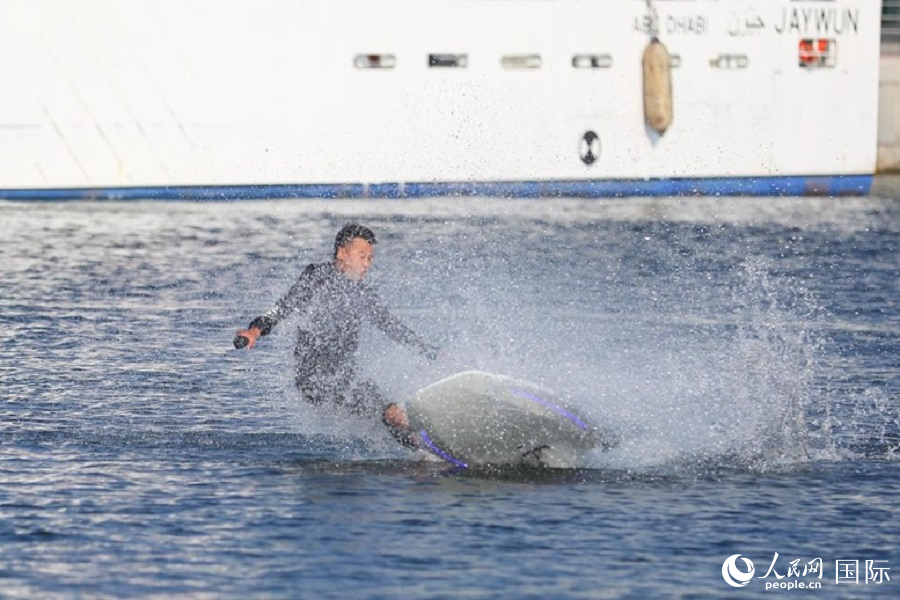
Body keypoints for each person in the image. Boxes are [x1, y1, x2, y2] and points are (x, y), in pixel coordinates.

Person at [234, 224, 435, 448]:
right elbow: (283, 308)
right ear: (342, 253)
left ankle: (425, 452)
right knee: (391, 412)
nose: (367, 264)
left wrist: (431, 352)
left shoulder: (362, 294)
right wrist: (254, 330)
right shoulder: (316, 278)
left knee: (389, 414)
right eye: (362, 256)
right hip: (315, 380)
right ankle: (432, 444)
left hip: (345, 377)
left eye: (370, 258)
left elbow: (392, 327)